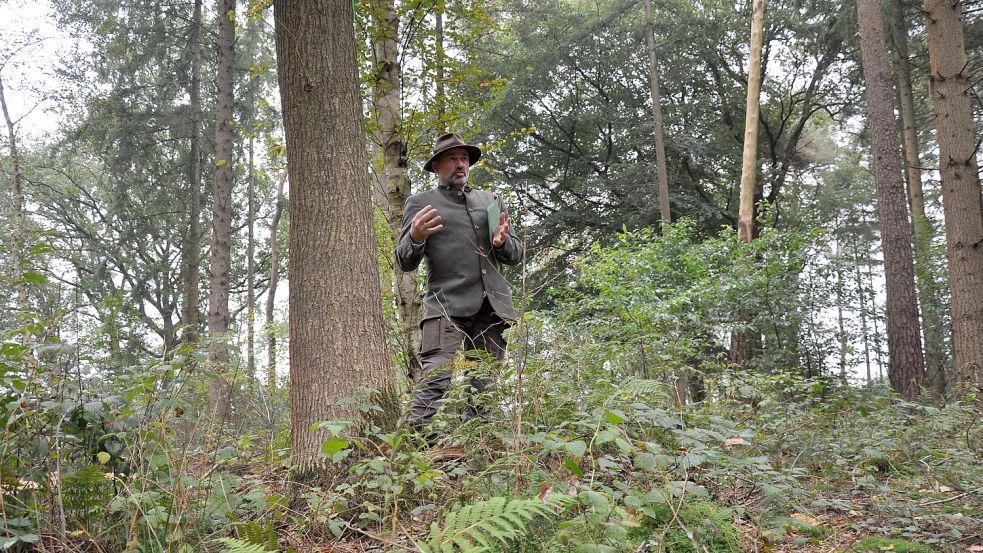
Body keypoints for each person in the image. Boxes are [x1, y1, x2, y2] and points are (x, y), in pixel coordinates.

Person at [395, 132, 523, 430]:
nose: (460, 164)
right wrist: (415, 237)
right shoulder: (421, 203)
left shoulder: (491, 201)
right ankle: (413, 449)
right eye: (452, 158)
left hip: (491, 308)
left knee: (484, 385)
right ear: (437, 166)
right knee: (436, 377)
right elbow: (404, 260)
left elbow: (515, 254)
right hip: (445, 307)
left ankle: (475, 451)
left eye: (464, 158)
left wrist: (503, 242)